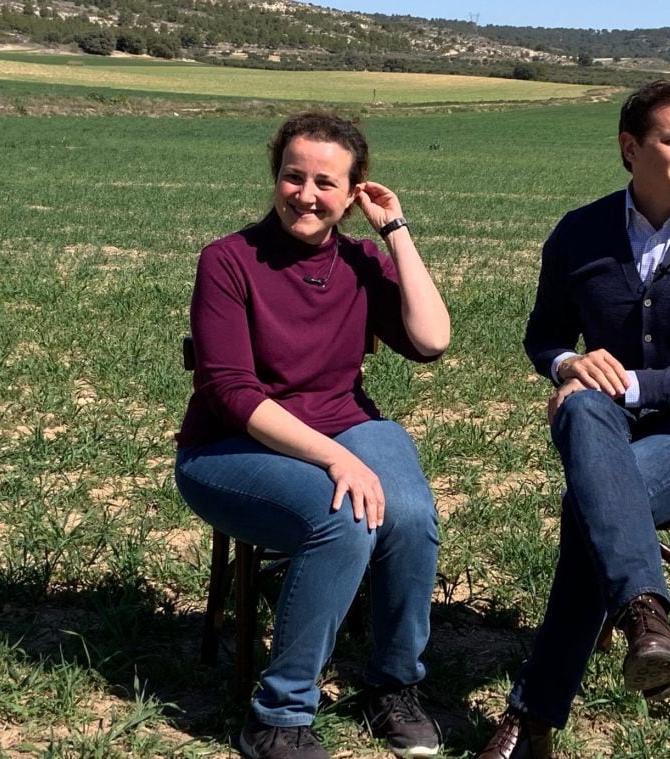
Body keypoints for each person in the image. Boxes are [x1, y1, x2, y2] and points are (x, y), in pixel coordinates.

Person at [477, 79, 670, 759]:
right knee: (583, 402)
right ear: (630, 148)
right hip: (604, 432)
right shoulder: (578, 233)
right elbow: (544, 335)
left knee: (592, 500)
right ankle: (647, 617)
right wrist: (566, 365)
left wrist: (629, 385)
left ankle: (533, 716)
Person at [175, 111, 450, 759]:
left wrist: (397, 234)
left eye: (326, 182)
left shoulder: (358, 261)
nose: (305, 193)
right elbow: (232, 393)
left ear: (354, 191)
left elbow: (432, 340)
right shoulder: (228, 260)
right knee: (344, 516)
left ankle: (392, 684)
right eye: (292, 177)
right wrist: (333, 460)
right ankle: (278, 716)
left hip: (346, 421)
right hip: (229, 447)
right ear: (275, 178)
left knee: (408, 514)